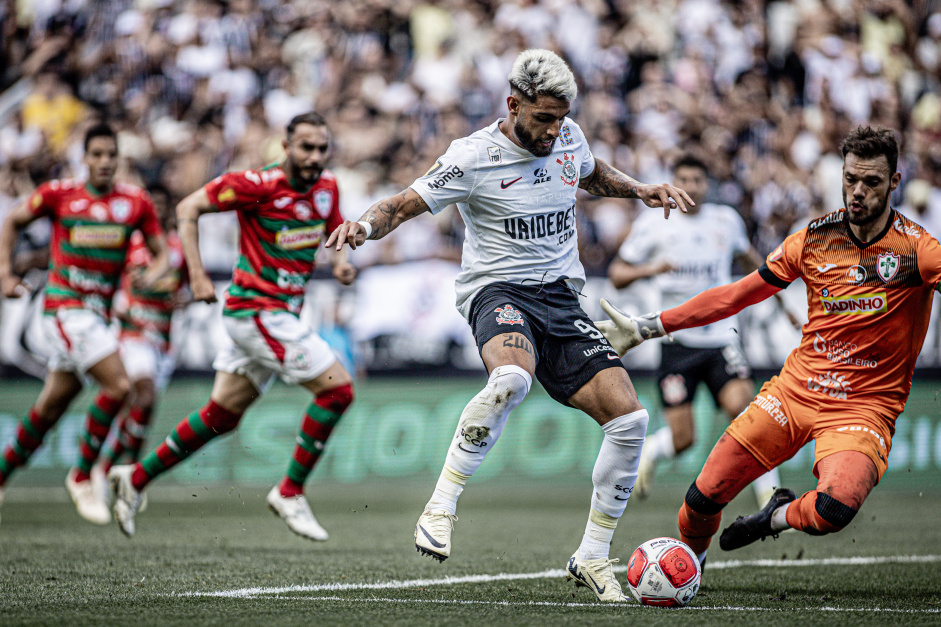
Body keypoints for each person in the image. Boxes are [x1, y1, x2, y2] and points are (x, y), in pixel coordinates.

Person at [327, 49, 692, 603]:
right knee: (512, 380)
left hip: (563, 300)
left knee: (632, 421)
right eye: (543, 118)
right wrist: (362, 227)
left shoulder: (568, 136)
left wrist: (641, 189)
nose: (553, 131)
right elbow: (402, 205)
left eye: (561, 119)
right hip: (497, 291)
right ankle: (441, 505)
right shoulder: (472, 156)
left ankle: (593, 555)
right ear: (513, 104)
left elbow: (591, 175)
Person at [596, 125, 940, 568]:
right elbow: (737, 294)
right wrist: (651, 326)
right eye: (850, 179)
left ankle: (772, 518)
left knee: (831, 511)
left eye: (871, 182)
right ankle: (692, 567)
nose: (857, 191)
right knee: (701, 499)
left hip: (864, 407)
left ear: (894, 182)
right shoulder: (813, 240)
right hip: (794, 393)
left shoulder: (918, 250)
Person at [108, 112, 357, 542]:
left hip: (278, 316)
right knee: (338, 390)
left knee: (220, 416)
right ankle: (289, 491)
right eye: (306, 147)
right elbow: (189, 208)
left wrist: (340, 262)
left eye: (321, 148)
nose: (315, 157)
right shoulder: (257, 185)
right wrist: (200, 276)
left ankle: (135, 478)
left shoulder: (327, 187)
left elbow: (332, 227)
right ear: (286, 146)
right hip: (257, 313)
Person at [0, 122, 169, 526]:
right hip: (64, 308)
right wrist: (5, 273)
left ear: (119, 159)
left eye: (112, 155)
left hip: (97, 315)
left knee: (50, 409)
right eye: (97, 155)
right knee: (120, 385)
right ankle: (82, 475)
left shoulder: (136, 202)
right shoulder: (61, 195)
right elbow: (12, 221)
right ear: (84, 158)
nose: (105, 162)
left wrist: (152, 272)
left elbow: (161, 252)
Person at [607, 154, 794, 505]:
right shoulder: (654, 225)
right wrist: (652, 269)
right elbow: (618, 274)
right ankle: (651, 451)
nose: (691, 187)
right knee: (683, 439)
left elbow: (754, 263)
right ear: (672, 183)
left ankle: (770, 494)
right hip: (677, 341)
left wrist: (783, 303)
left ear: (707, 184)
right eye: (684, 180)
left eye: (697, 180)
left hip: (721, 336)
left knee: (744, 410)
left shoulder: (726, 221)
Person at [93, 185, 188, 494]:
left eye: (164, 204)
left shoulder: (179, 248)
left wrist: (183, 301)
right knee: (143, 396)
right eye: (154, 205)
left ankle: (123, 474)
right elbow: (108, 279)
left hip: (163, 339)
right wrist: (119, 309)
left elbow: (183, 291)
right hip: (133, 335)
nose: (159, 210)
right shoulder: (131, 241)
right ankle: (109, 469)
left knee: (142, 411)